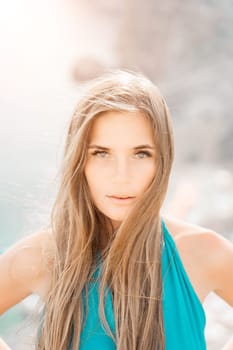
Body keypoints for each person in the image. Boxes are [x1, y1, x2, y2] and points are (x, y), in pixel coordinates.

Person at [0, 70, 233, 350]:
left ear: (162, 160)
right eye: (101, 153)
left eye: (141, 153)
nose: (121, 175)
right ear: (80, 162)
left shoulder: (203, 252)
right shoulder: (43, 256)